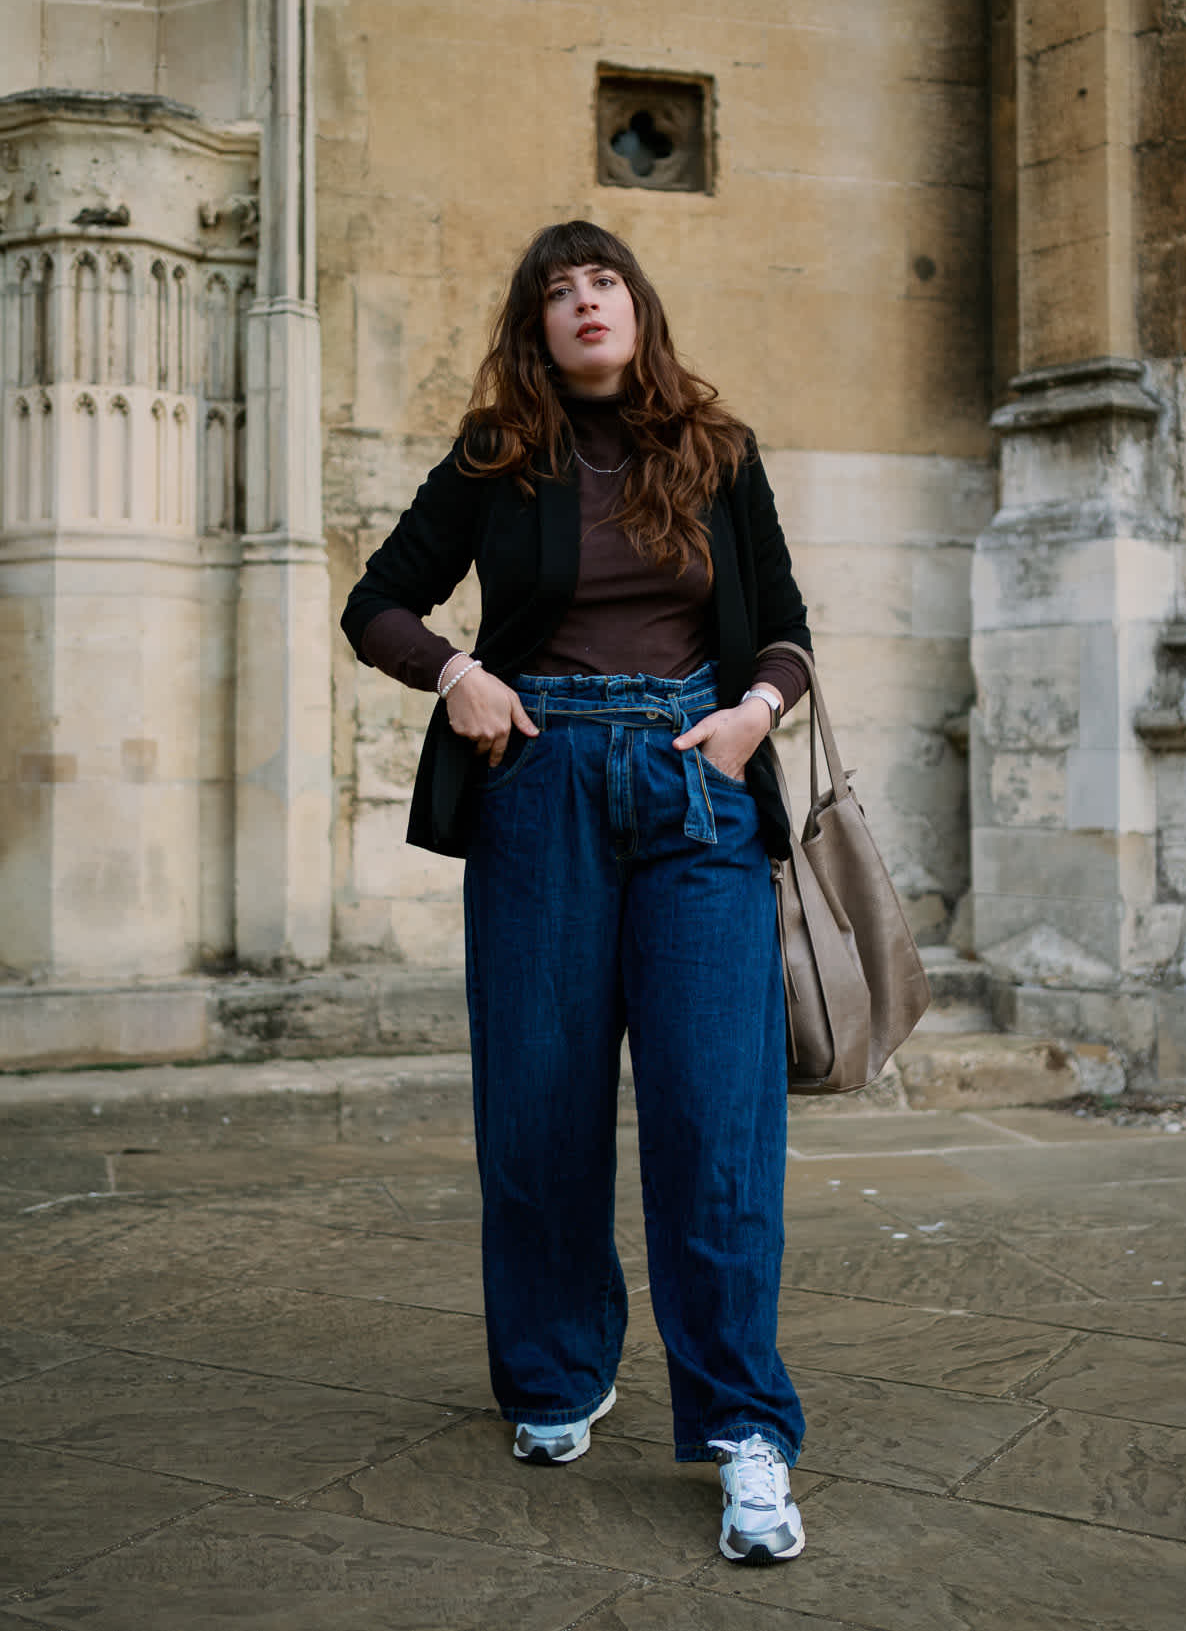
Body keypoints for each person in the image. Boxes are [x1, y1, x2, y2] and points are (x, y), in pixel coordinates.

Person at [341, 220, 812, 1565]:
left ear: (638, 306)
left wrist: (752, 717)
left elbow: (784, 626)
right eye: (559, 291)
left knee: (714, 1116)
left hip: (692, 784)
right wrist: (455, 674)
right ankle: (556, 1372)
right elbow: (377, 602)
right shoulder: (497, 458)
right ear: (535, 326)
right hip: (539, 782)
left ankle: (744, 1425)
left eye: (603, 281)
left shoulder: (716, 452)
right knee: (539, 1103)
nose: (585, 302)